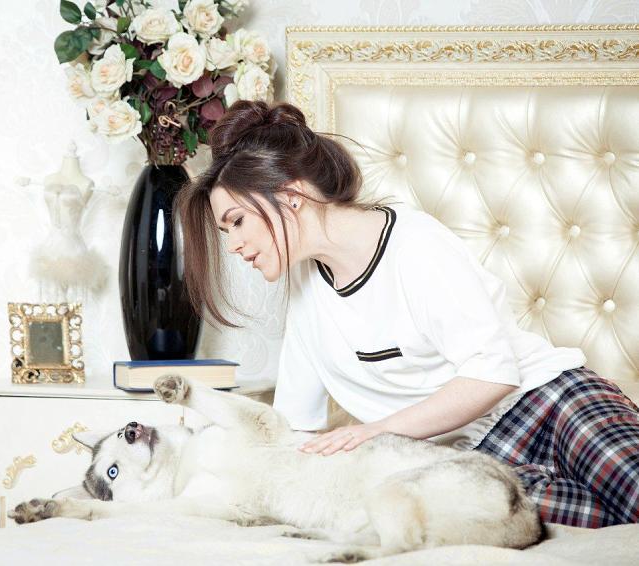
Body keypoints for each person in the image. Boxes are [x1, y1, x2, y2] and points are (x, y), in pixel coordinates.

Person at [173, 99, 639, 529]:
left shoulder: (415, 244)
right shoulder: (303, 285)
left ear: (291, 195)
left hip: (550, 404)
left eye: (237, 221)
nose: (233, 246)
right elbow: (297, 424)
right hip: (473, 463)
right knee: (613, 527)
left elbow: (493, 373)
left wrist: (376, 431)